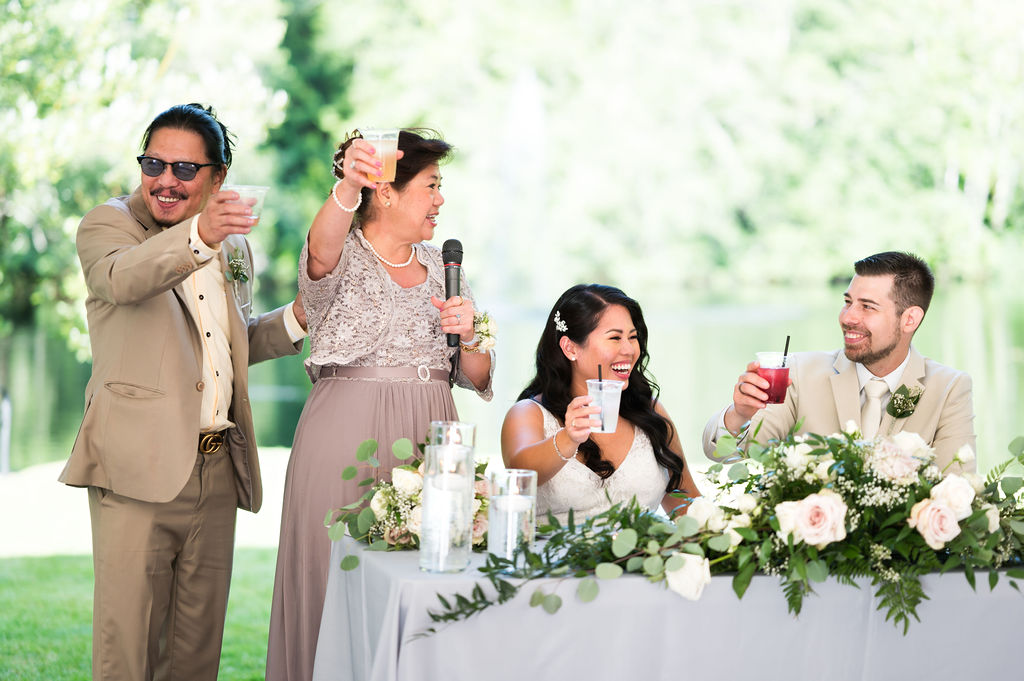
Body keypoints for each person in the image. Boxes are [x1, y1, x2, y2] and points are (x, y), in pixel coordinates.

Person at [59, 103, 307, 681]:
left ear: (219, 178)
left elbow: (229, 343)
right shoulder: (108, 225)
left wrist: (298, 317)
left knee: (196, 653)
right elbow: (122, 280)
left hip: (216, 470)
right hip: (135, 469)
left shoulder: (235, 248)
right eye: (153, 163)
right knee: (129, 650)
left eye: (184, 169)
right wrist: (200, 233)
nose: (165, 179)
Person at [266, 128, 494, 681]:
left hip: (432, 437)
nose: (440, 199)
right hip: (344, 432)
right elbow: (318, 250)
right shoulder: (338, 253)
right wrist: (349, 182)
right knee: (332, 578)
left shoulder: (446, 263)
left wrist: (468, 336)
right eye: (431, 185)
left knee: (428, 581)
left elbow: (480, 375)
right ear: (387, 192)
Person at [702, 251, 976, 472]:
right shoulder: (798, 373)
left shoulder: (949, 387)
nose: (847, 317)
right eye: (848, 302)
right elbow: (724, 454)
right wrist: (740, 415)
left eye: (867, 306)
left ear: (910, 319)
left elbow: (958, 490)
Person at [501, 284, 700, 523]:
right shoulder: (528, 413)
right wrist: (568, 438)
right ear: (570, 347)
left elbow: (689, 508)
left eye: (633, 337)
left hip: (642, 557)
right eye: (615, 338)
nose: (629, 349)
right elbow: (519, 477)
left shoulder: (650, 411)